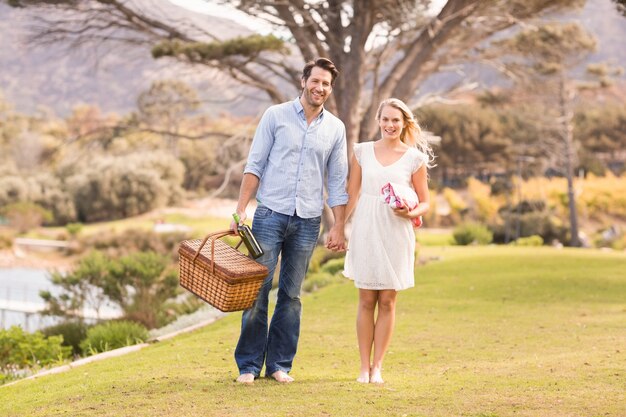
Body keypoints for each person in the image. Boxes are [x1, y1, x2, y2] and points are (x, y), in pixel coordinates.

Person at [231, 57, 348, 384]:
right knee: (257, 292)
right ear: (303, 81)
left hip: (308, 221)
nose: (320, 88)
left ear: (330, 88)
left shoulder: (335, 129)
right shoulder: (275, 116)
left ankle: (280, 364)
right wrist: (241, 209)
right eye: (316, 81)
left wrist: (338, 226)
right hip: (268, 215)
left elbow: (338, 182)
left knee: (292, 295)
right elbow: (255, 165)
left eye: (326, 84)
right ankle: (249, 366)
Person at [343, 98, 434, 384]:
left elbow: (425, 202)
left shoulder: (414, 159)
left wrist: (410, 212)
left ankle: (378, 367)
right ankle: (362, 367)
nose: (390, 125)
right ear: (378, 120)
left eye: (396, 120)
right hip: (366, 228)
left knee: (388, 302)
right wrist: (338, 228)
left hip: (396, 230)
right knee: (366, 298)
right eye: (385, 119)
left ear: (404, 123)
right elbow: (352, 194)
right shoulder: (362, 152)